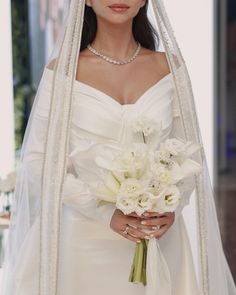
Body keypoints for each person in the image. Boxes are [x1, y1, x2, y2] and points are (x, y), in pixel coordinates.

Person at [2, 1, 236, 295]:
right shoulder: (63, 72)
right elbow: (38, 161)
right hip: (85, 243)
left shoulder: (170, 67)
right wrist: (102, 212)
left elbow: (189, 151)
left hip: (158, 238)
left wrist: (170, 204)